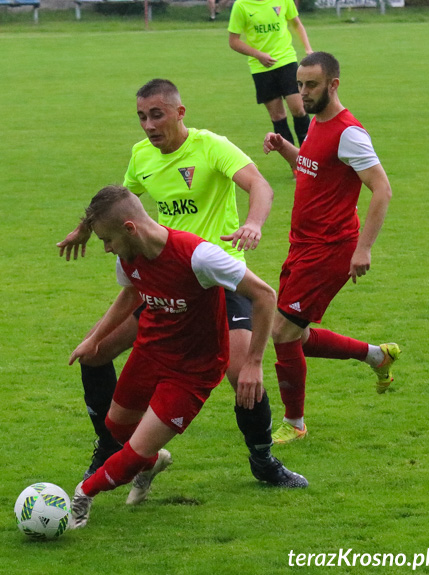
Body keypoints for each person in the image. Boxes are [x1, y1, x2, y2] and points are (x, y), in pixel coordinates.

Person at [57, 78, 306, 490]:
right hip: (165, 283)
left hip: (218, 280)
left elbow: (259, 184)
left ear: (179, 113)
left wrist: (253, 223)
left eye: (157, 114)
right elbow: (119, 203)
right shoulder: (142, 156)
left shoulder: (211, 146)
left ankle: (264, 461)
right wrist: (85, 228)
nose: (149, 125)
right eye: (141, 116)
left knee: (242, 373)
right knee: (94, 353)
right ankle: (110, 450)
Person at [68, 185, 304, 529]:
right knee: (117, 428)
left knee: (131, 454)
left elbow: (265, 295)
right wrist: (95, 340)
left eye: (108, 240)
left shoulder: (199, 257)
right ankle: (152, 462)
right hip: (150, 352)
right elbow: (131, 293)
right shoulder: (128, 256)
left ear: (130, 229)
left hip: (193, 370)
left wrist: (253, 362)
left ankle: (82, 497)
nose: (106, 248)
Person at [263, 51, 399, 444]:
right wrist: (286, 148)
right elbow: (311, 168)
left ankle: (295, 422)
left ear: (333, 85)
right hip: (302, 246)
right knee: (295, 333)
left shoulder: (348, 132)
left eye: (312, 85)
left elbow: (382, 189)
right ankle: (378, 355)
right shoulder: (317, 126)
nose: (302, 93)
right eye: (299, 85)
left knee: (284, 332)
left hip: (330, 250)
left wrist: (363, 249)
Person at [228, 0, 312, 148]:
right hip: (261, 68)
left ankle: (309, 157)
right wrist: (258, 55)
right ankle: (294, 163)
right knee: (278, 116)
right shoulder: (241, 5)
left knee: (299, 109)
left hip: (286, 60)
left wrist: (308, 49)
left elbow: (296, 23)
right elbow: (233, 41)